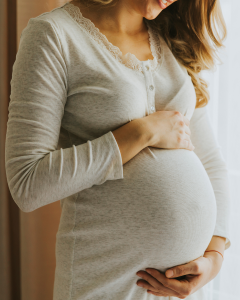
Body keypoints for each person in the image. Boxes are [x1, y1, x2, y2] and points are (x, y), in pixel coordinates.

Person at [5, 0, 231, 299]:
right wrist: (139, 134)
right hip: (106, 280)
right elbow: (27, 184)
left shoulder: (171, 36)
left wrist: (214, 256)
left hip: (182, 287)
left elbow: (211, 162)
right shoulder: (55, 35)